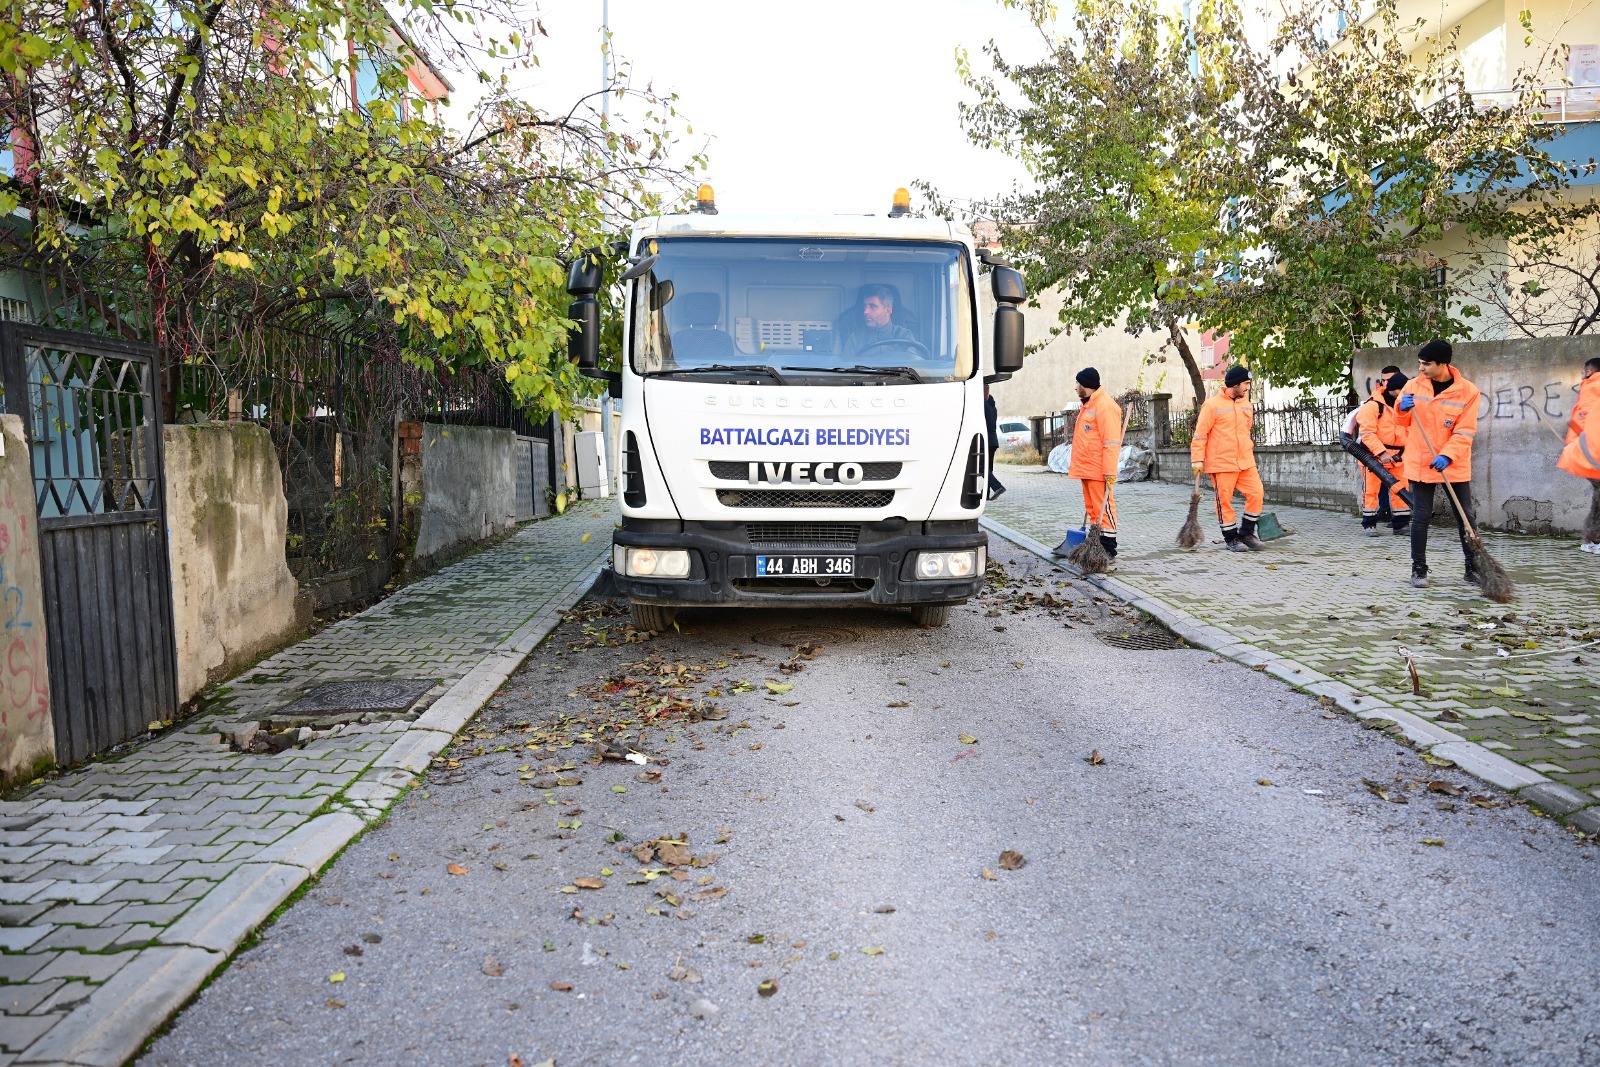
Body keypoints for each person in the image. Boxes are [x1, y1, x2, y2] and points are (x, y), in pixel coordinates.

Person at [1393, 339, 1481, 588]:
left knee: (1466, 517)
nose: (1421, 368)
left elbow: (1465, 430)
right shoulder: (1413, 386)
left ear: (1443, 364)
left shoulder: (1468, 392)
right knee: (1420, 516)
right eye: (1420, 363)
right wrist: (1401, 407)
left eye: (1426, 364)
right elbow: (1400, 421)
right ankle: (1418, 568)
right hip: (1420, 461)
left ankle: (1472, 567)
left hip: (1453, 462)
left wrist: (1448, 455)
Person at [1191, 365, 1266, 552]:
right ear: (1235, 384)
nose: (1248, 387)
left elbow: (1245, 431)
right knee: (1224, 502)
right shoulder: (1212, 406)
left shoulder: (1247, 404)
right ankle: (1232, 538)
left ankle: (1247, 533)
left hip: (1245, 461)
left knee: (1257, 493)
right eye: (1246, 383)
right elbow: (1200, 435)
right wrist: (1197, 460)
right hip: (1221, 463)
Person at [1064, 367, 1123, 556]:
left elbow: (1111, 442)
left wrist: (1109, 471)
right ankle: (1096, 542)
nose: (1075, 387)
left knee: (1104, 508)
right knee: (1093, 509)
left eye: (1077, 383)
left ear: (1085, 385)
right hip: (1087, 468)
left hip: (1099, 469)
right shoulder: (1089, 405)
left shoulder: (1105, 406)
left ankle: (1108, 547)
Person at [1354, 369, 1412, 537]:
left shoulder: (1403, 407)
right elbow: (1367, 434)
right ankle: (1369, 524)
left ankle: (1401, 525)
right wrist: (1382, 453)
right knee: (1371, 491)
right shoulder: (1373, 406)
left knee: (1401, 490)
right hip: (1372, 457)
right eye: (1402, 390)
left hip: (1399, 456)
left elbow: (1409, 430)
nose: (1405, 393)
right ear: (1394, 389)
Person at [1560, 356, 1600, 552]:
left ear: (1589, 372)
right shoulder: (1594, 387)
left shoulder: (1592, 386)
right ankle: (1593, 541)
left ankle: (1590, 540)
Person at [843, 285, 915, 356]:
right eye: (865, 306)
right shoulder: (855, 339)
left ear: (888, 310)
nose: (865, 311)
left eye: (873, 306)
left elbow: (912, 364)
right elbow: (846, 366)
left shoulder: (904, 335)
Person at [985, 384, 1005, 501]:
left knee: (981, 467)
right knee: (988, 468)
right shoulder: (993, 407)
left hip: (985, 440)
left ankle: (997, 487)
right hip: (994, 440)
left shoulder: (983, 405)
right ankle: (985, 493)